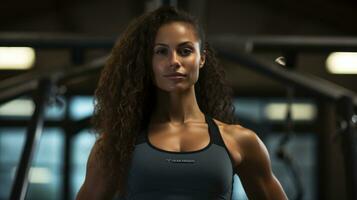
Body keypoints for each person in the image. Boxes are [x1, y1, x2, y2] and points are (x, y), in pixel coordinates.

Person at [76, 6, 288, 200]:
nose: (174, 61)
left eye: (185, 51)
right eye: (161, 51)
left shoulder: (240, 141)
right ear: (148, 62)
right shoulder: (117, 145)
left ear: (202, 58)